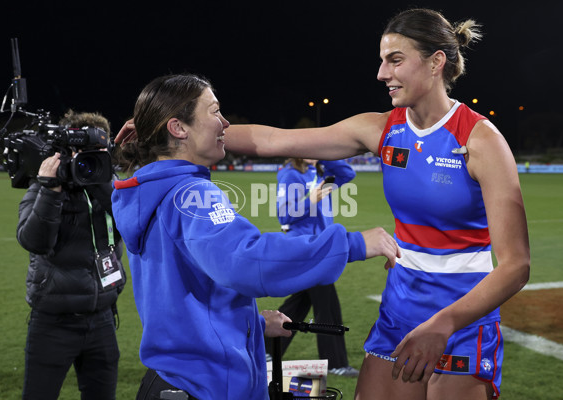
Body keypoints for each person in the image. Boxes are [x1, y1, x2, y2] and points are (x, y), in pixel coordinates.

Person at [221, 8, 530, 400]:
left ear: (436, 62)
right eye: (382, 61)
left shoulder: (480, 140)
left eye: (395, 60)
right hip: (399, 312)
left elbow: (517, 265)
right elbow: (271, 141)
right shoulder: (382, 128)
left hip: (461, 323)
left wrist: (444, 325)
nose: (382, 73)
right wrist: (171, 130)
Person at [111, 74, 400, 400]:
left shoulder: (151, 190)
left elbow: (187, 295)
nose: (224, 123)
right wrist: (353, 244)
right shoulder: (191, 193)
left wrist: (253, 324)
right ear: (178, 128)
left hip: (176, 378)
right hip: (204, 384)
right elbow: (244, 260)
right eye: (214, 111)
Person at [17, 110, 125, 400]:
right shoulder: (45, 188)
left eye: (97, 150)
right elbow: (34, 241)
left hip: (102, 317)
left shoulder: (111, 189)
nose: (88, 158)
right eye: (82, 150)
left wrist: (101, 178)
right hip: (53, 322)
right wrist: (50, 189)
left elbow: (133, 226)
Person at [264, 158, 360, 377]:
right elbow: (284, 214)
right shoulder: (291, 174)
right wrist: (311, 200)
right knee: (327, 303)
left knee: (301, 301)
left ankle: (267, 347)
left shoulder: (319, 173)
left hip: (321, 244)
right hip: (305, 248)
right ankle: (336, 362)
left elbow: (347, 174)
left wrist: (325, 154)